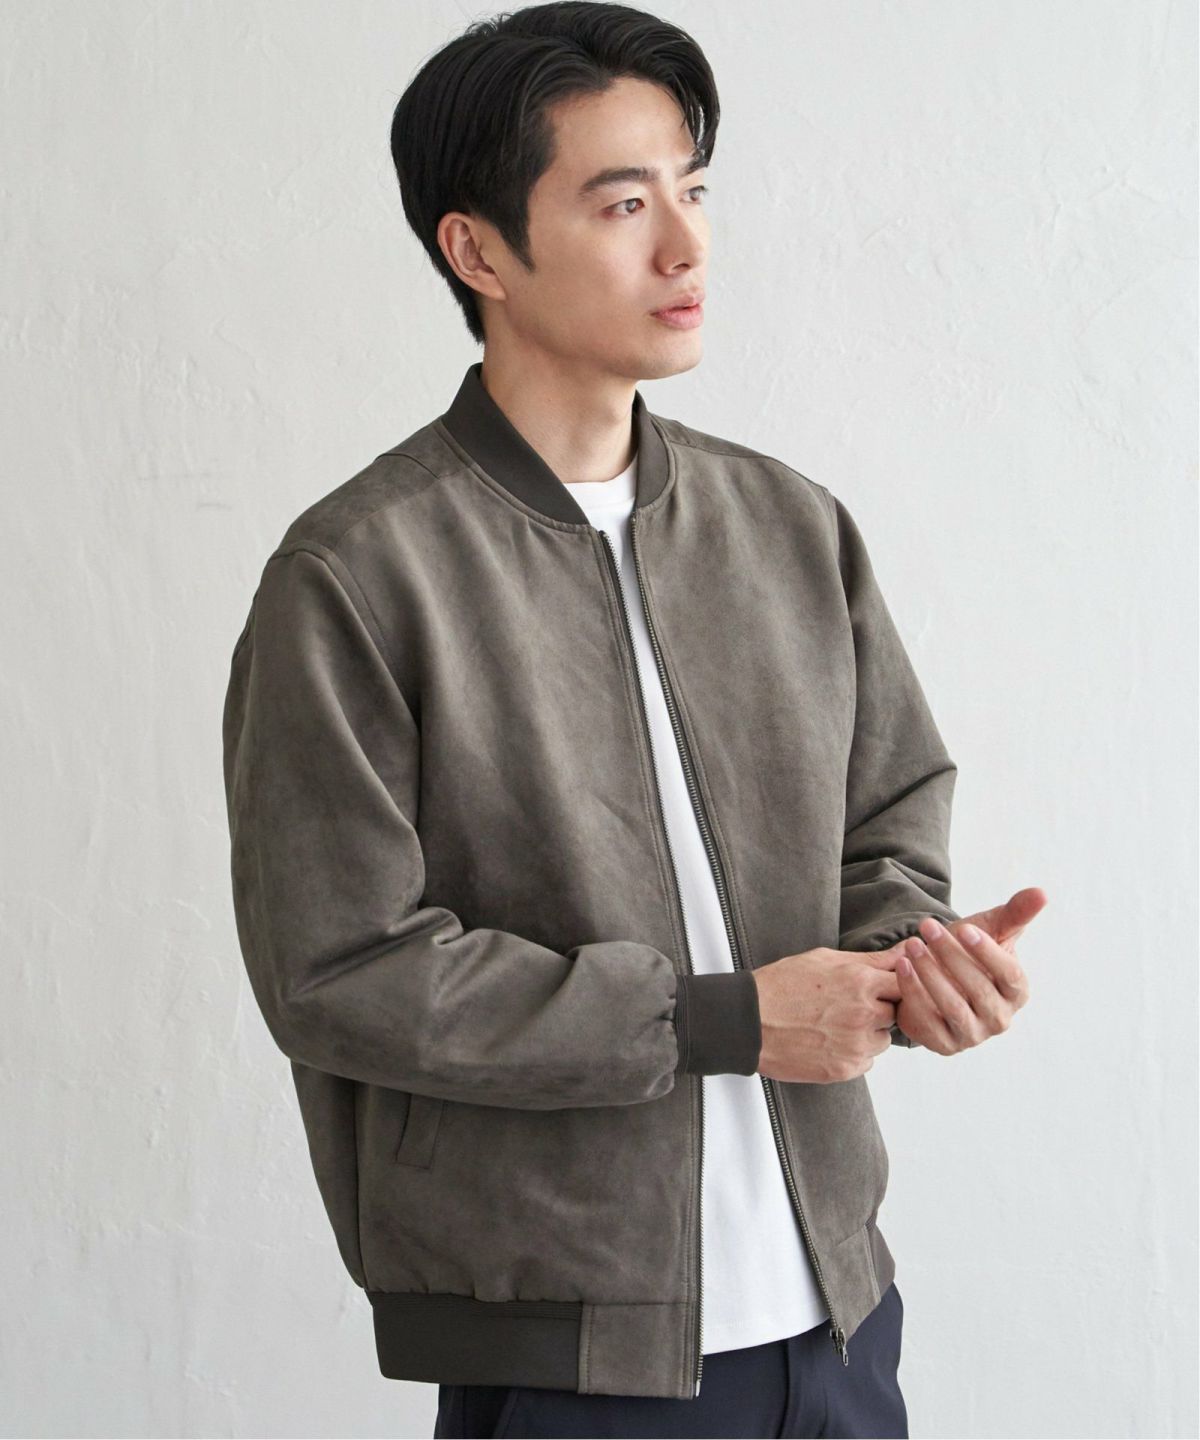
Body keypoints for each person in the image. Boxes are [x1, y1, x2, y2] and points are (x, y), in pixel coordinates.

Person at [221, 4, 1039, 1435]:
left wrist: (911, 965)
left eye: (692, 189)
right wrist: (726, 1020)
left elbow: (892, 818)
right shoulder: (358, 573)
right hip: (567, 1351)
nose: (685, 245)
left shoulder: (788, 526)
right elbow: (341, 968)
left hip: (840, 1322)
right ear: (477, 251)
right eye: (622, 203)